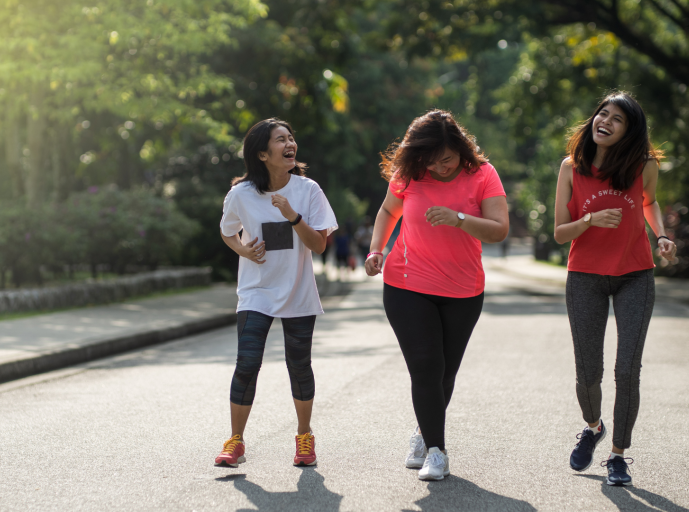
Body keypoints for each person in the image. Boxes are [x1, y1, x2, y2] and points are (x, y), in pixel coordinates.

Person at [364, 110, 509, 481]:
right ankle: (436, 451)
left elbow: (498, 231)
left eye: (445, 159)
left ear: (460, 148)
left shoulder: (483, 175)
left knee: (445, 373)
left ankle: (421, 432)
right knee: (426, 366)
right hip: (406, 284)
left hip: (463, 290)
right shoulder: (409, 174)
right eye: (431, 161)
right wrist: (376, 249)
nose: (439, 168)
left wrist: (458, 218)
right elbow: (387, 209)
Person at [554, 92, 677, 486]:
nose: (604, 121)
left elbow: (649, 202)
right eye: (601, 113)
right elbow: (559, 233)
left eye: (617, 118)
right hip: (585, 277)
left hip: (635, 275)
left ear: (630, 130)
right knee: (588, 372)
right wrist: (589, 219)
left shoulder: (645, 165)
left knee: (628, 371)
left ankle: (618, 455)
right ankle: (593, 427)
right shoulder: (572, 169)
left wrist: (660, 235)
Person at [216, 118, 338, 468]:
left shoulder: (308, 190)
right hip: (256, 291)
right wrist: (243, 250)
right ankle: (235, 440)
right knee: (247, 363)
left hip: (298, 291)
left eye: (291, 137)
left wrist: (292, 215)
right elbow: (227, 232)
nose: (290, 144)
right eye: (280, 139)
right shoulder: (240, 194)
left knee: (299, 365)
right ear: (262, 153)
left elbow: (318, 244)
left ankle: (304, 437)